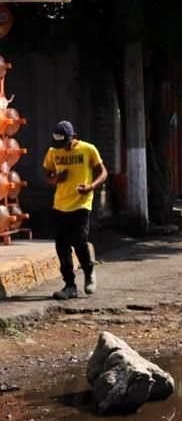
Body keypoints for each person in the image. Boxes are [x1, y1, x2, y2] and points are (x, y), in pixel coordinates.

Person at [42, 120, 108, 300]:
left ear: (73, 137)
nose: (62, 147)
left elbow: (103, 172)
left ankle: (89, 270)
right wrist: (56, 179)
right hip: (60, 205)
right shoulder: (53, 151)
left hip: (81, 203)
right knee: (61, 246)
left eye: (65, 144)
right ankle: (70, 285)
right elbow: (47, 175)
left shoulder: (88, 149)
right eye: (58, 144)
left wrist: (91, 186)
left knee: (79, 241)